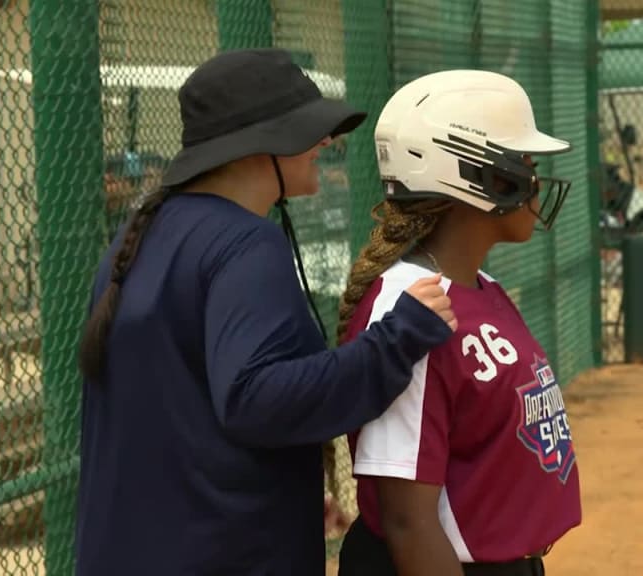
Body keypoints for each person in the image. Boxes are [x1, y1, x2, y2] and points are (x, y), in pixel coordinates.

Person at [74, 48, 459, 576]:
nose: (325, 141)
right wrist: (400, 337)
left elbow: (190, 415)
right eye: (305, 130)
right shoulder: (244, 243)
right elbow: (258, 398)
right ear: (255, 148)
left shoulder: (141, 235)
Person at [334, 70, 582, 576]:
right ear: (476, 178)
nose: (537, 184)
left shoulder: (480, 288)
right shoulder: (412, 311)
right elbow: (407, 522)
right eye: (526, 167)